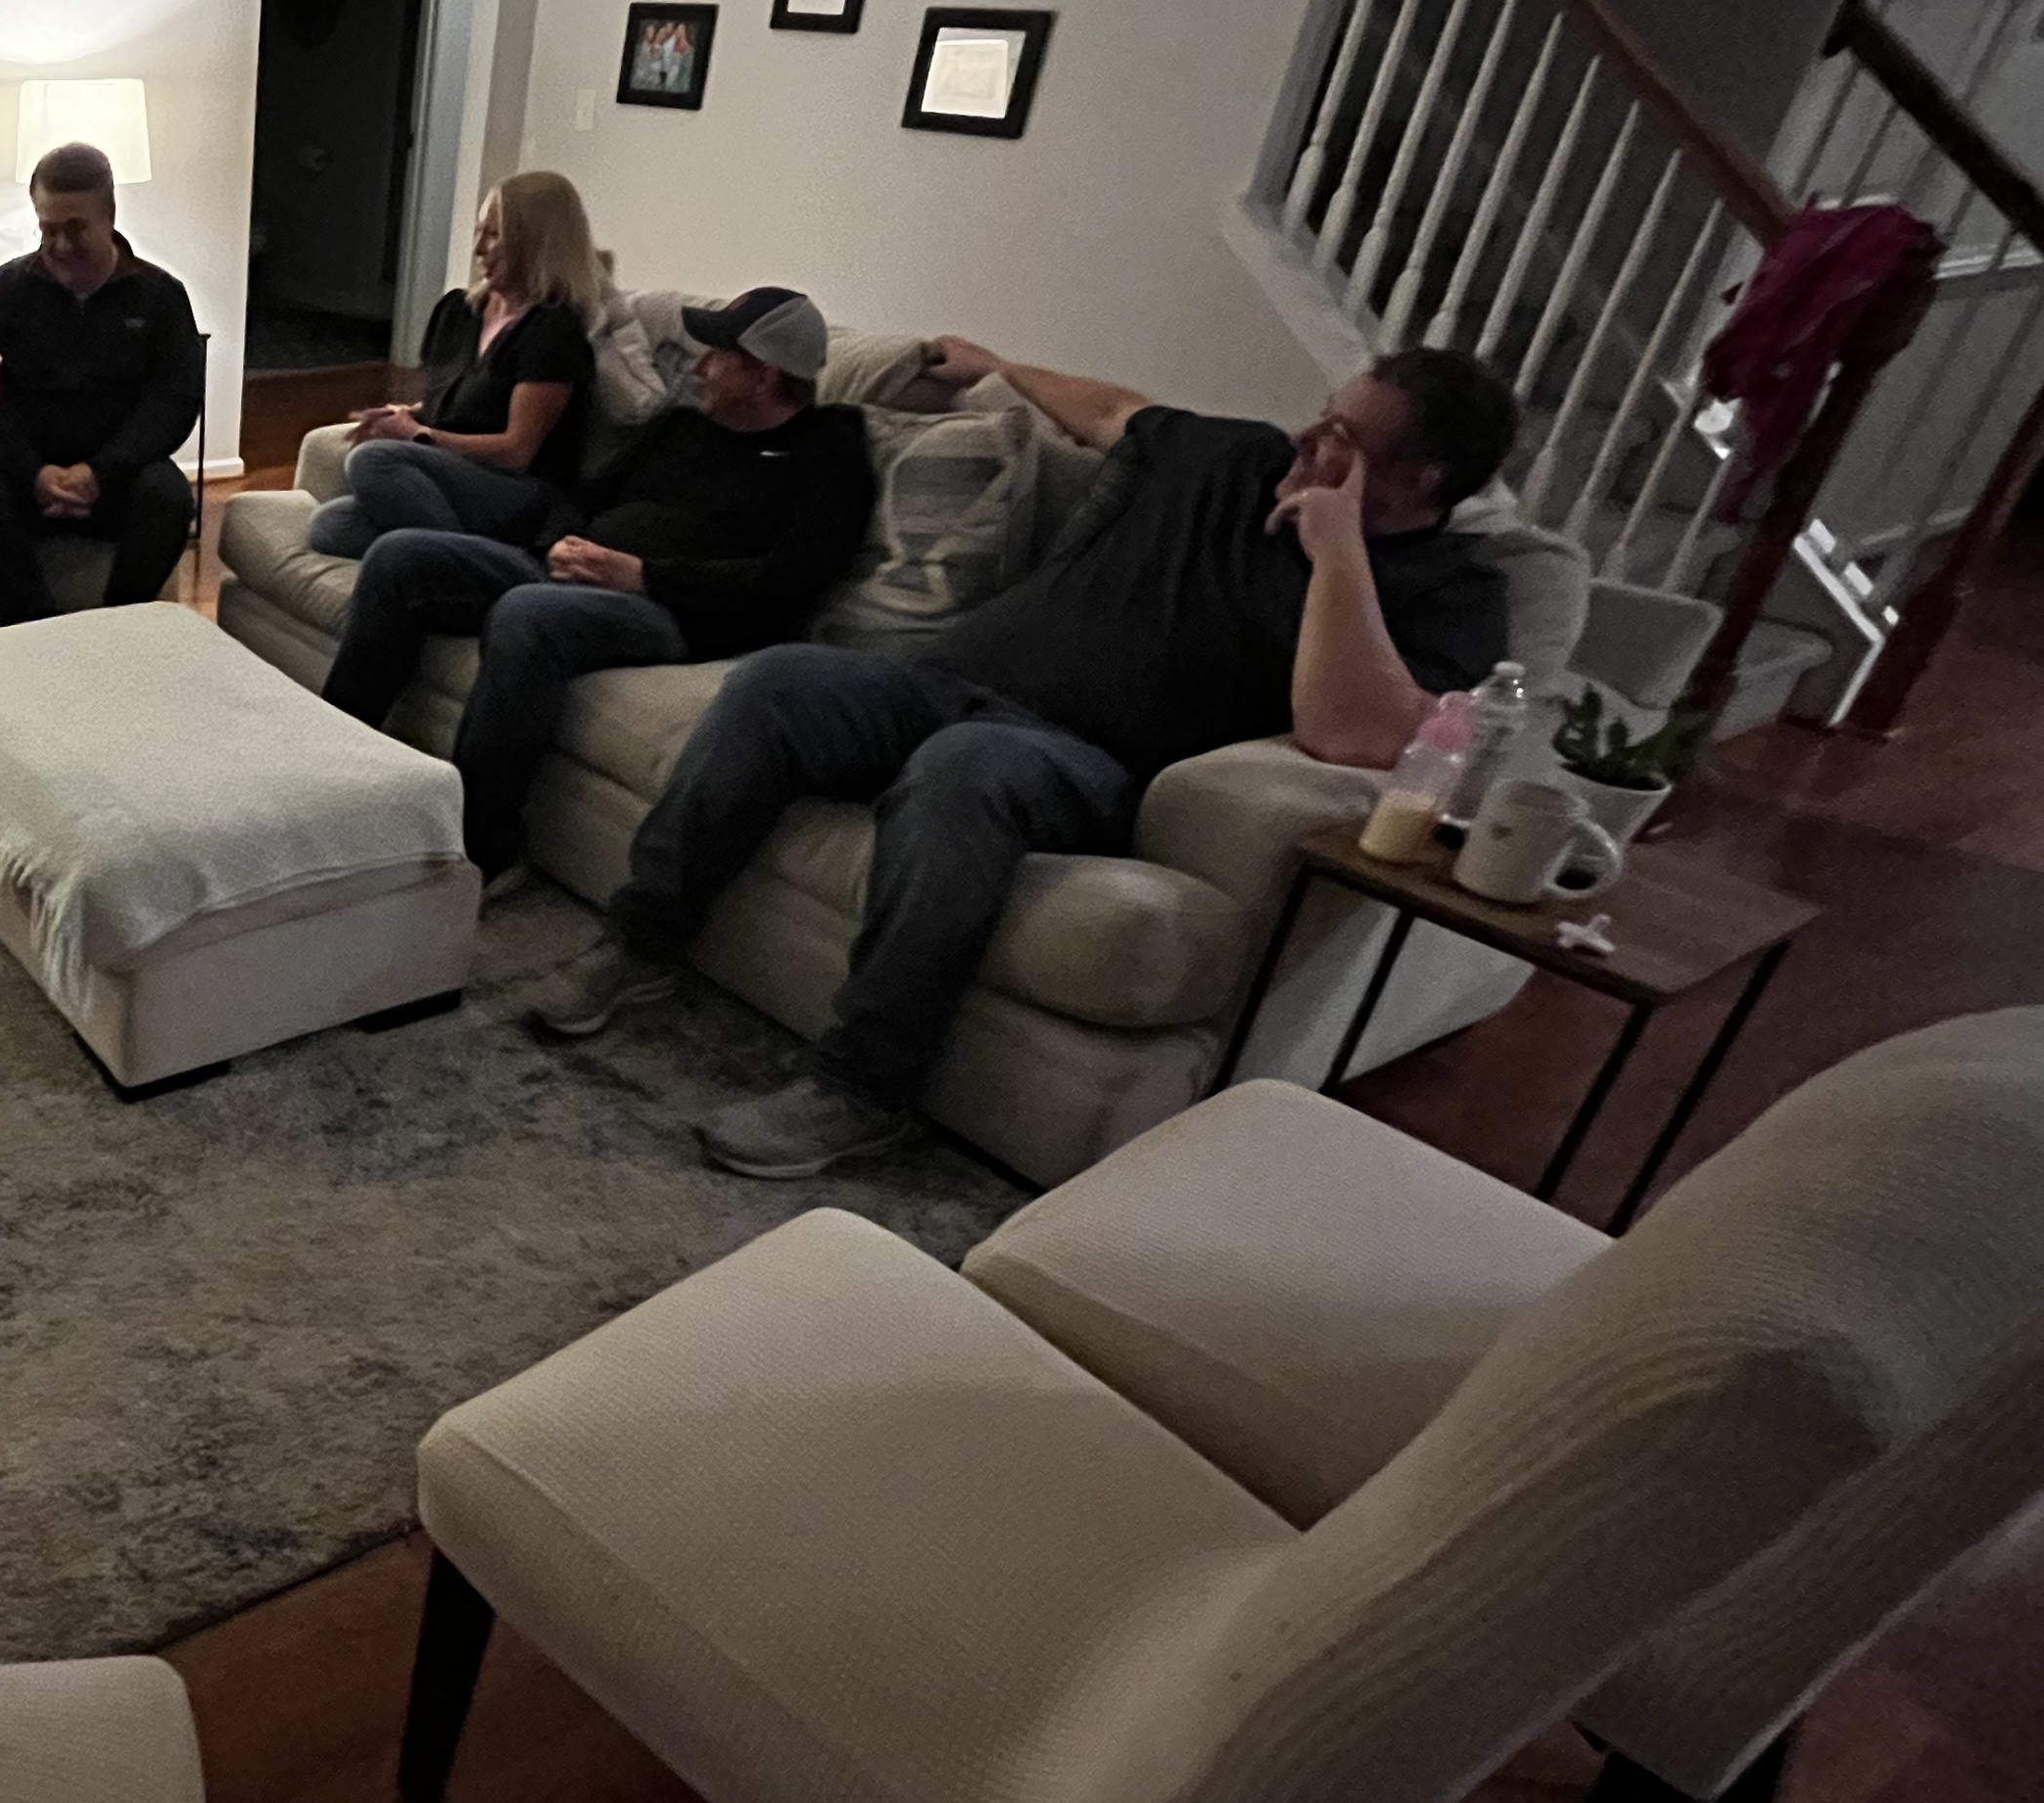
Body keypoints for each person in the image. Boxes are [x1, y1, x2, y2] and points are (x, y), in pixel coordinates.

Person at [532, 341, 1524, 1178]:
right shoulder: (1233, 456)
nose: (1308, 442)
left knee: (964, 767)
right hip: (940, 679)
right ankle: (641, 943)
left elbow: (1355, 736)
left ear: (1420, 482)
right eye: (1322, 417)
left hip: (1081, 756)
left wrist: (1338, 548)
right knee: (780, 682)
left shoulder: (1452, 589)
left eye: (1343, 439)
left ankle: (863, 1087)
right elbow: (1114, 409)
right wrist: (998, 366)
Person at [320, 286, 875, 880]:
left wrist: (643, 575)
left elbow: (786, 583)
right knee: (400, 555)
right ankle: (336, 769)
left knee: (529, 613)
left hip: (675, 613)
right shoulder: (682, 427)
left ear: (764, 375)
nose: (699, 367)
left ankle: (484, 848)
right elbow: (588, 496)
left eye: (718, 355)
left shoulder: (830, 458)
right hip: (567, 568)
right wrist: (560, 540)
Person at [0, 142, 204, 621]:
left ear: (109, 217)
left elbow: (174, 402)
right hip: (23, 475)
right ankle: (35, 624)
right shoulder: (3, 290)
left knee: (168, 498)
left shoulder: (161, 296)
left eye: (76, 228)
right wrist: (34, 473)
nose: (60, 245)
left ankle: (116, 624)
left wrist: (100, 472)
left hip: (117, 477)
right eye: (48, 229)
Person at [307, 169, 601, 557]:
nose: (478, 248)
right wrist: (405, 415)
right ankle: (454, 547)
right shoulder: (458, 311)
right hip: (454, 473)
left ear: (536, 243)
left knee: (373, 461)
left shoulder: (552, 331)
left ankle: (460, 561)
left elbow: (517, 452)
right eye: (479, 232)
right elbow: (461, 404)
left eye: (494, 235)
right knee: (330, 527)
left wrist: (418, 435)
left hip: (518, 493)